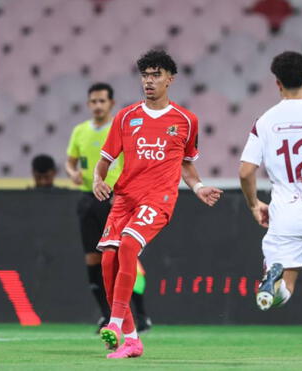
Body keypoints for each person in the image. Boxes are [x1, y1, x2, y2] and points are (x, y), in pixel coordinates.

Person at [93, 50, 222, 358]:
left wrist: (199, 187)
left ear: (170, 79)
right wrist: (99, 180)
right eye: (145, 75)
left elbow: (187, 165)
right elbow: (104, 161)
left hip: (159, 198)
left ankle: (112, 323)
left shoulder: (186, 120)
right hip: (124, 198)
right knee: (108, 262)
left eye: (155, 75)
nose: (149, 81)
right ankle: (133, 340)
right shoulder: (125, 116)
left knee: (126, 246)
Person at [239, 51, 302, 311]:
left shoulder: (265, 121)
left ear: (277, 83)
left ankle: (274, 276)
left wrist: (254, 204)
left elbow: (246, 172)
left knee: (283, 292)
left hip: (286, 214)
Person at [65, 83, 123, 331]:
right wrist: (73, 173)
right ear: (88, 104)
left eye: (102, 101)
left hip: (114, 199)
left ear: (111, 103)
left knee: (119, 256)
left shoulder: (120, 128)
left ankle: (131, 315)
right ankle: (106, 314)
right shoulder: (79, 131)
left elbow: (130, 161)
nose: (98, 106)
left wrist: (121, 190)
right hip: (88, 198)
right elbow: (70, 162)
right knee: (92, 258)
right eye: (93, 101)